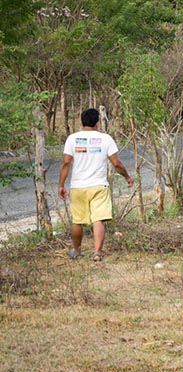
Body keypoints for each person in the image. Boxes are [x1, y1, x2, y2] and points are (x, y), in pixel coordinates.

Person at [58, 108, 133, 261]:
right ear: (98, 123)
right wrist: (127, 177)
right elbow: (116, 163)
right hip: (99, 185)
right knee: (98, 219)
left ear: (81, 121)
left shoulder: (72, 139)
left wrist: (61, 184)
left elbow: (66, 162)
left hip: (78, 186)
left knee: (77, 220)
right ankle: (97, 253)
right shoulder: (106, 139)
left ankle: (77, 252)